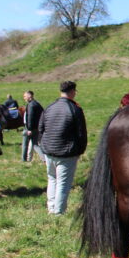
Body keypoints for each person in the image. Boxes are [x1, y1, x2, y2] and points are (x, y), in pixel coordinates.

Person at [38, 81, 88, 215]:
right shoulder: (75, 109)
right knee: (63, 183)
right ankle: (58, 212)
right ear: (72, 91)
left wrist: (43, 146)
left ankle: (51, 208)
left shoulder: (49, 107)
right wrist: (81, 149)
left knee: (52, 179)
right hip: (66, 152)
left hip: (49, 150)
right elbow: (81, 133)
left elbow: (41, 128)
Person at [21, 90, 44, 162]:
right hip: (36, 127)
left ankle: (23, 160)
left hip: (30, 128)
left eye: (25, 96)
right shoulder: (37, 104)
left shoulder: (31, 105)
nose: (24, 98)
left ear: (29, 96)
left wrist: (29, 129)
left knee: (25, 144)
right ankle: (44, 158)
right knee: (35, 145)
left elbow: (30, 117)